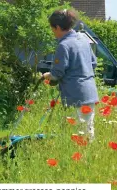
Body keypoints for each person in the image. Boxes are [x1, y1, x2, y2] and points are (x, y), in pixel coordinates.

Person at [43, 9, 99, 141]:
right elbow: (94, 63)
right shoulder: (83, 40)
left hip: (75, 95)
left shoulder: (64, 45)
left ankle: (80, 160)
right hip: (90, 92)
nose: (53, 33)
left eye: (53, 29)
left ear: (57, 27)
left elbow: (57, 74)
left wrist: (46, 75)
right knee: (87, 131)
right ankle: (87, 159)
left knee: (77, 135)